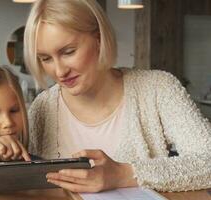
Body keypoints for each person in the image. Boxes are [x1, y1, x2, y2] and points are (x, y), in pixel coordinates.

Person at [24, 0, 211, 193]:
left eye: (68, 52)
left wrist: (123, 174)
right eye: (45, 58)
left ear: (99, 39)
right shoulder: (41, 108)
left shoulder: (157, 89)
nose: (59, 71)